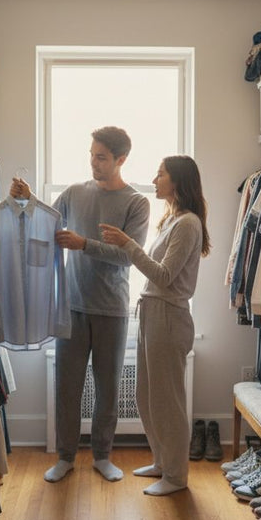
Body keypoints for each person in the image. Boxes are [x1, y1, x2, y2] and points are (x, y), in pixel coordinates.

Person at [10, 126, 150, 483]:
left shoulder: (137, 203)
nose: (94, 162)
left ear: (121, 159)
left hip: (113, 310)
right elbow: (45, 227)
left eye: (101, 157)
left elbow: (127, 256)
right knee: (67, 386)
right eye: (91, 154)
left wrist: (83, 244)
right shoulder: (74, 193)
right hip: (71, 307)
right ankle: (66, 457)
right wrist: (26, 202)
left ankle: (102, 455)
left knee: (108, 388)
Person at [99, 155, 210, 496]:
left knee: (167, 400)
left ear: (177, 181)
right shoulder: (171, 220)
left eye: (160, 174)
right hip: (152, 312)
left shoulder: (188, 223)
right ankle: (163, 463)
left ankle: (176, 477)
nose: (155, 178)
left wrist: (127, 244)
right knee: (147, 396)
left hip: (168, 315)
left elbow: (163, 276)